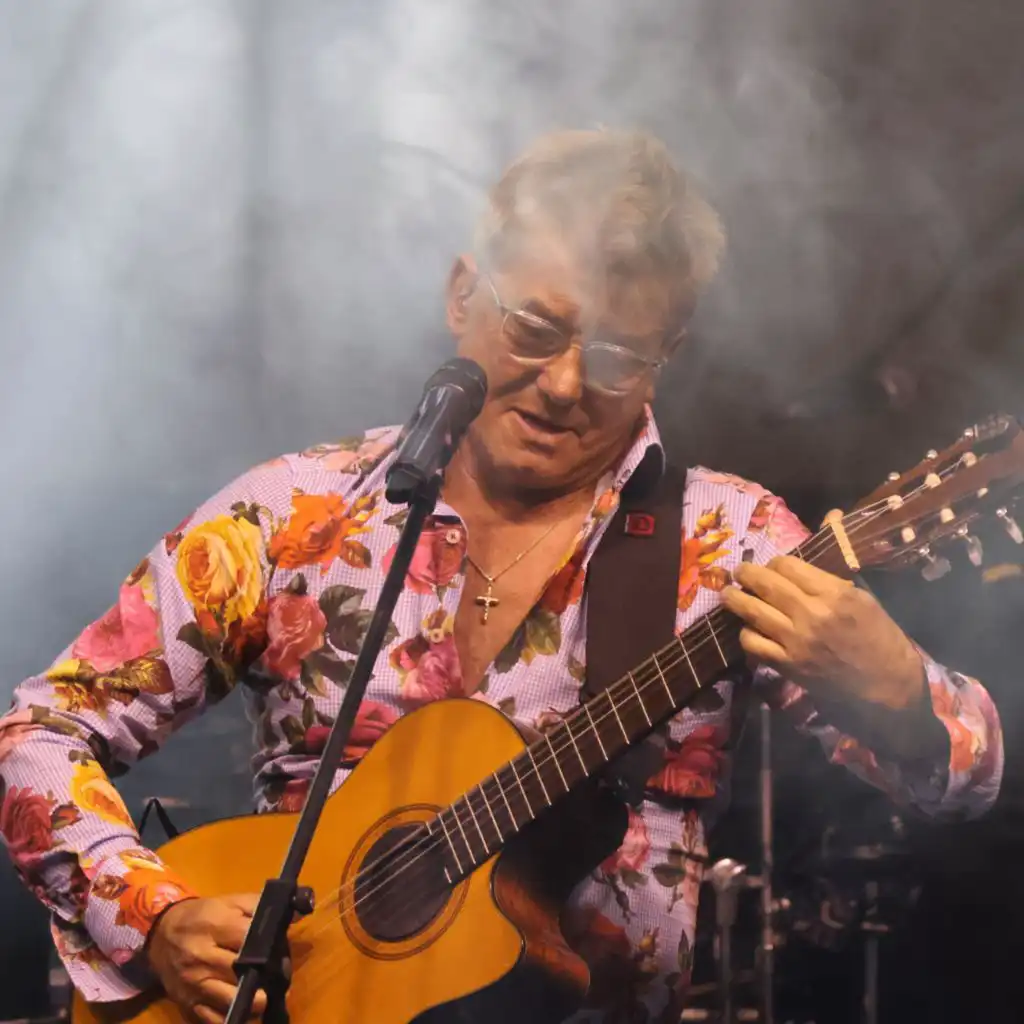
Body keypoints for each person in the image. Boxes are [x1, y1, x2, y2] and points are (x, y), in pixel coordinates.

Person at [0, 128, 1003, 1024]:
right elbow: (40, 730)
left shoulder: (729, 539)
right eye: (533, 328)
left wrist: (899, 695)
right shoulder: (294, 511)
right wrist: (152, 917)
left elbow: (966, 781)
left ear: (666, 355)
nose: (564, 384)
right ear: (461, 295)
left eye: (615, 356)